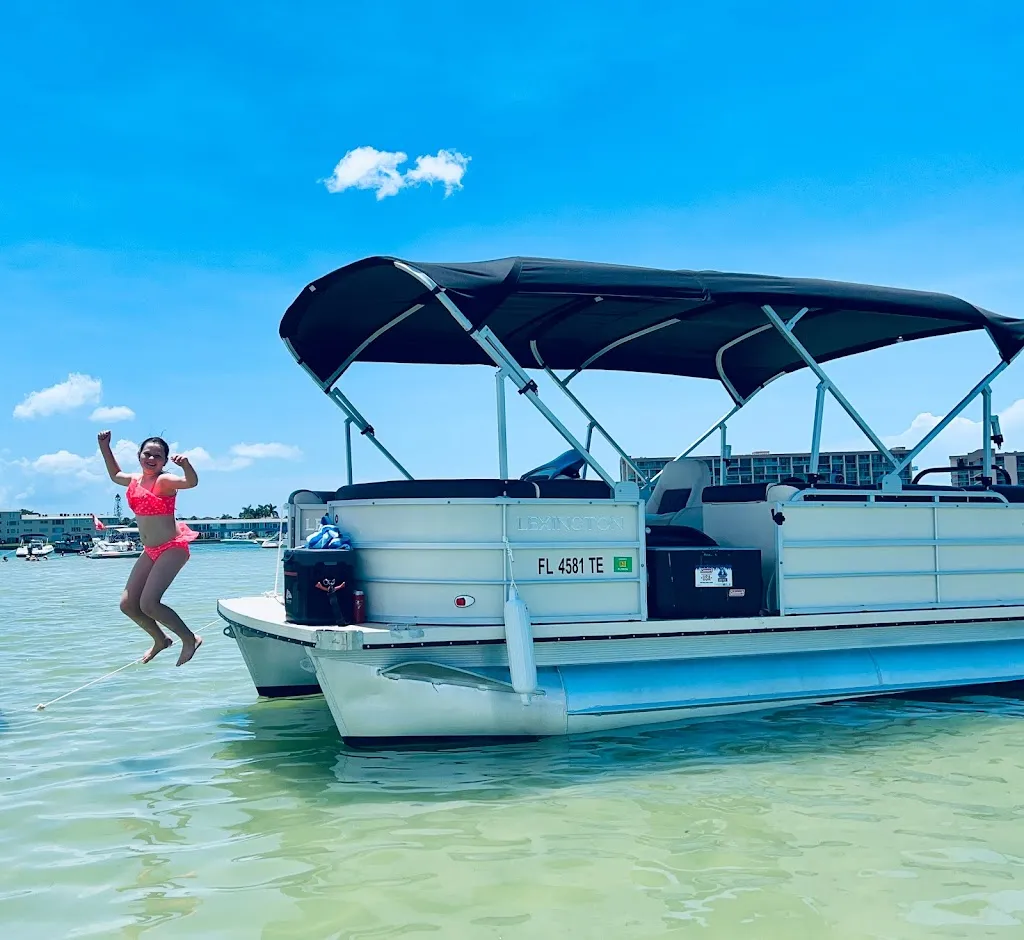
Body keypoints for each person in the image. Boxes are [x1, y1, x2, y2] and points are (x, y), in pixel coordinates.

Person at [98, 431, 203, 665]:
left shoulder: (164, 481)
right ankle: (161, 640)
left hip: (171, 548)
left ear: (165, 461)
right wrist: (104, 446)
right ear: (139, 456)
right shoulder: (134, 480)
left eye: (158, 455)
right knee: (128, 605)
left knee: (149, 603)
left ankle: (189, 638)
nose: (152, 458)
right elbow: (115, 474)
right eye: (148, 454)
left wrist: (186, 465)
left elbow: (191, 482)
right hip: (151, 550)